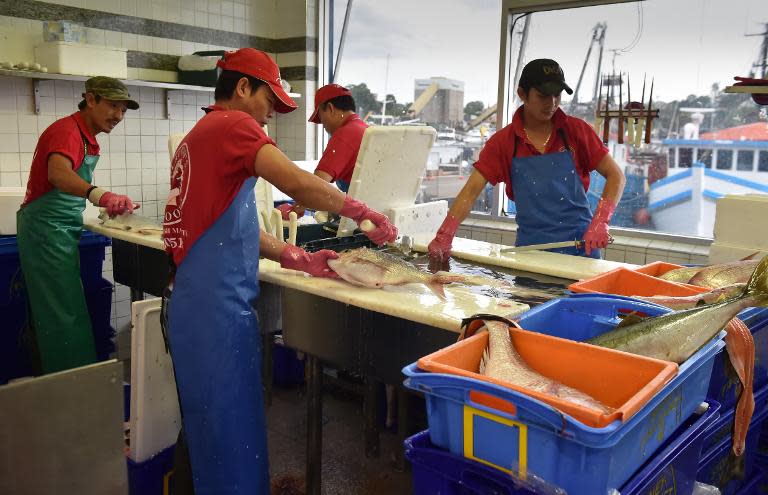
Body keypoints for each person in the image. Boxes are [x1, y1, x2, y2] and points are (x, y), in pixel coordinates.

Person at [162, 48, 396, 494]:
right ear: (243, 87)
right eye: (271, 101)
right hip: (215, 314)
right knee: (230, 436)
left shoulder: (199, 135)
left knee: (213, 432)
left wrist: (296, 257)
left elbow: (229, 228)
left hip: (195, 309)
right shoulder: (234, 126)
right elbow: (296, 182)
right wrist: (364, 212)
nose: (271, 115)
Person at [428, 59, 625, 260]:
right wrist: (446, 233)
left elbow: (616, 175)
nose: (552, 103)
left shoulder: (577, 131)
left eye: (557, 95)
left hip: (582, 249)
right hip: (530, 253)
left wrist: (601, 221)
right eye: (543, 96)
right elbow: (470, 192)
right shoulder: (503, 143)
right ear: (522, 94)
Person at [17, 76, 139, 375]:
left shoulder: (85, 135)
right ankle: (73, 391)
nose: (118, 116)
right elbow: (58, 174)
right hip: (46, 230)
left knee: (63, 308)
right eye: (113, 106)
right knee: (62, 313)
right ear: (91, 99)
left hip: (59, 228)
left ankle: (75, 384)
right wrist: (100, 195)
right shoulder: (67, 131)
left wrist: (104, 205)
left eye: (123, 110)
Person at [277, 83, 367, 219]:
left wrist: (296, 208)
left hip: (358, 216)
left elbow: (317, 185)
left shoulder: (345, 134)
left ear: (330, 108)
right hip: (367, 211)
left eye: (321, 117)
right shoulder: (363, 128)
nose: (323, 125)